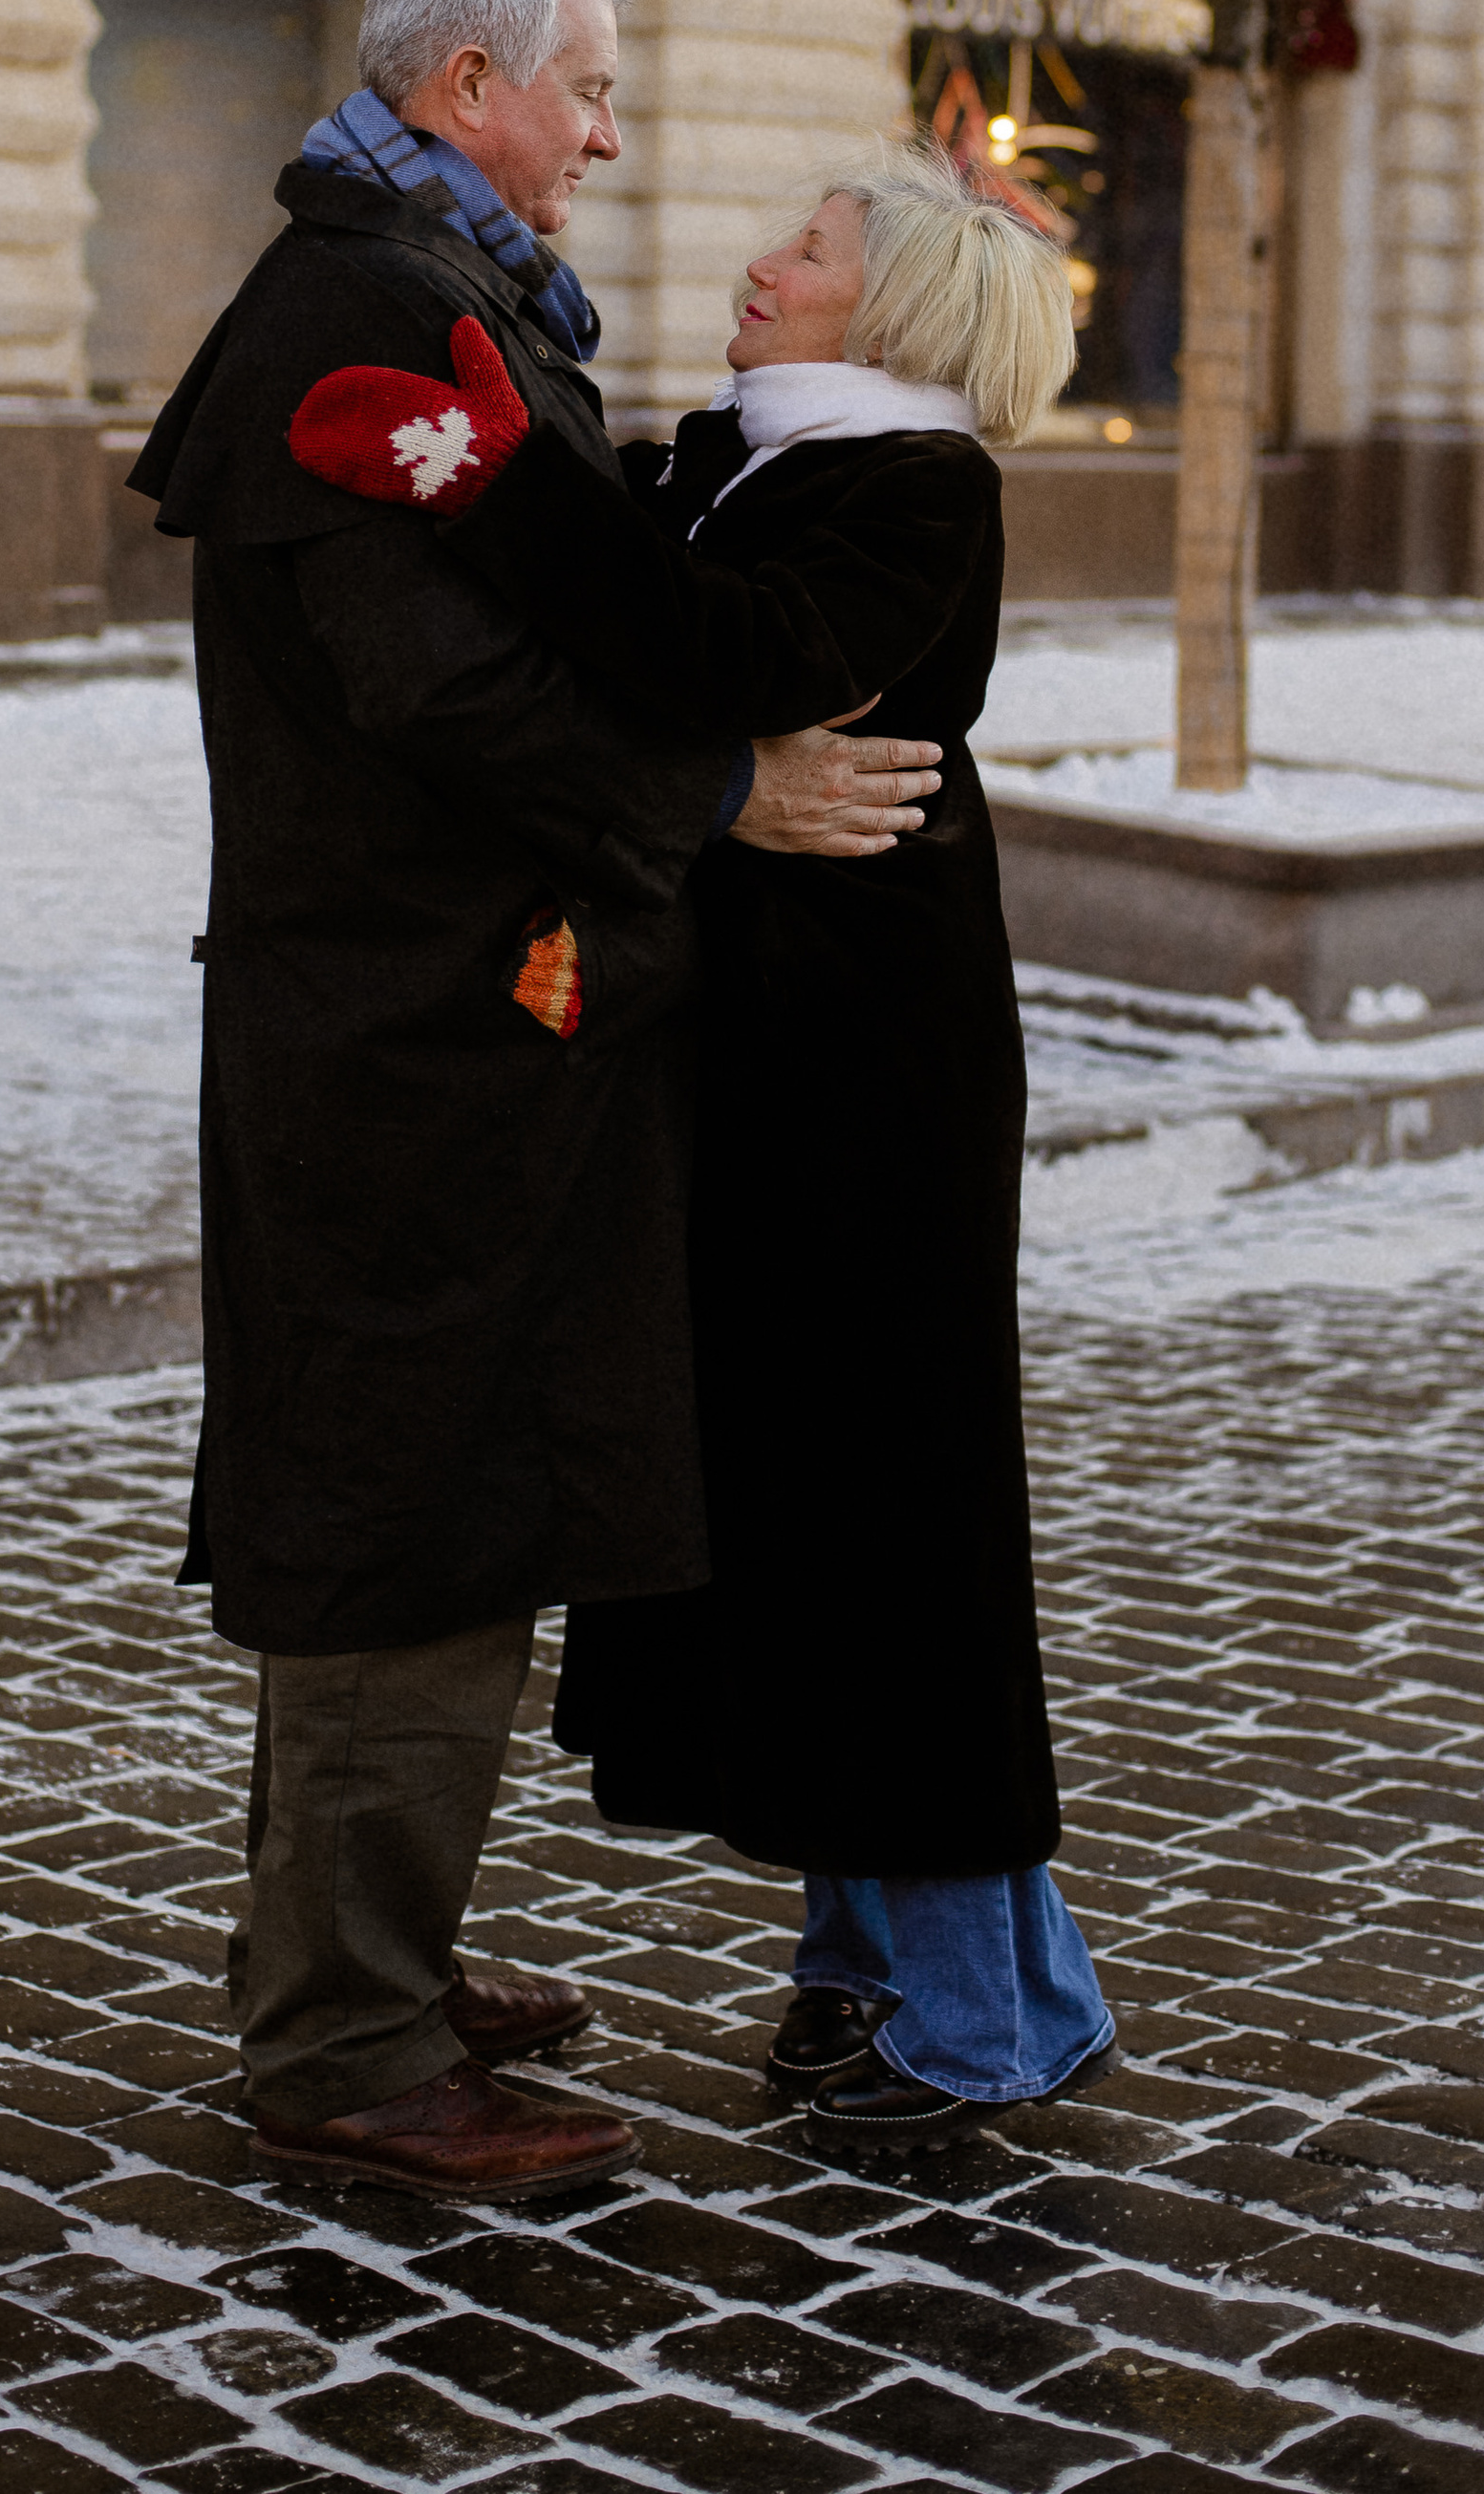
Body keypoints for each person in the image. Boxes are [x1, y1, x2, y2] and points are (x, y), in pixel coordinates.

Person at [127, 0, 945, 2195]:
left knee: (436, 1489)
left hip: (454, 1019)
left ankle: (363, 1951)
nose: (608, 126)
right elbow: (440, 686)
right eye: (582, 85)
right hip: (408, 1035)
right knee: (414, 1508)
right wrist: (718, 793)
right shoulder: (364, 303)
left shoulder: (431, 280)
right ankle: (348, 2038)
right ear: (462, 87)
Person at [290, 137, 1116, 2142]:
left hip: (870, 1101)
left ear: (893, 308)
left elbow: (709, 656)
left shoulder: (911, 490)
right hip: (756, 1080)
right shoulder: (749, 459)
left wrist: (486, 478)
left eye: (806, 250)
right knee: (804, 1533)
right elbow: (642, 633)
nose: (756, 269)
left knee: (887, 1537)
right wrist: (501, 478)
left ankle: (980, 2020)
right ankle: (888, 1977)